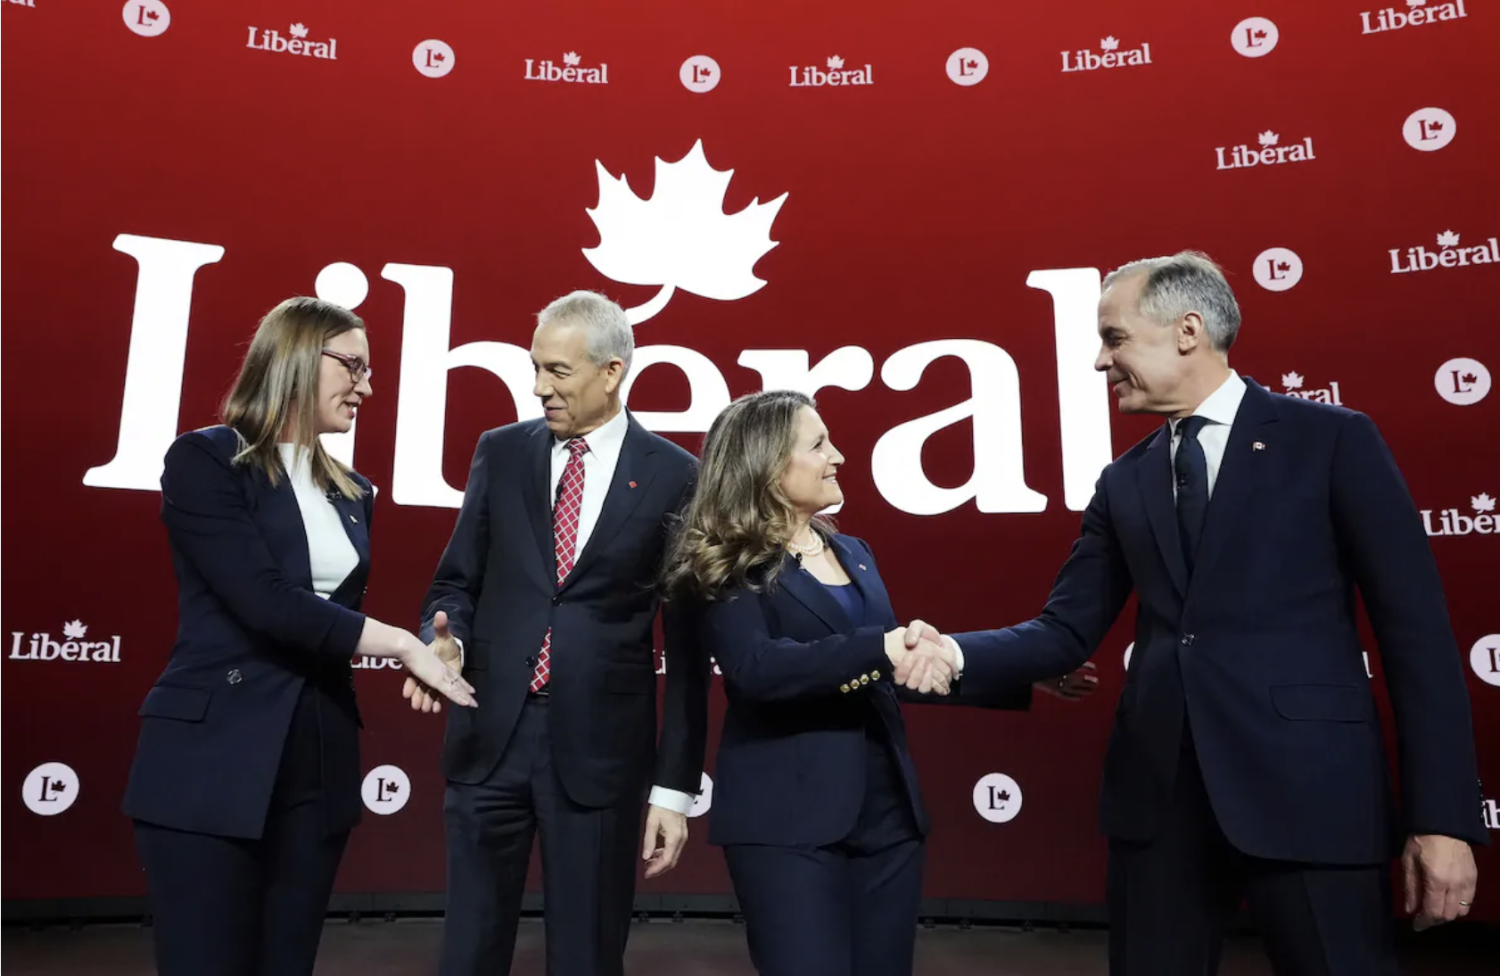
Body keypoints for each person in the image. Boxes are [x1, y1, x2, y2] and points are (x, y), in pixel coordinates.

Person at [909, 252, 1486, 975]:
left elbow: (1419, 642)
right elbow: (1063, 631)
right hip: (1159, 810)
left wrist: (1442, 821)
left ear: (1188, 330)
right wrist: (949, 654)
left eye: (1114, 338)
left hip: (1311, 797)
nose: (1098, 361)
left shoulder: (1332, 441)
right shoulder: (1125, 480)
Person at [658, 389, 1095, 976]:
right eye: (818, 445)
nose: (837, 455)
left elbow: (889, 673)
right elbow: (757, 670)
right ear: (766, 465)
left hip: (887, 818)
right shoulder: (723, 562)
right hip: (787, 826)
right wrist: (880, 647)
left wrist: (1018, 677)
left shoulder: (855, 553)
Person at [121, 297, 475, 976]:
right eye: (354, 367)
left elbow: (323, 617)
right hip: (211, 760)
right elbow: (265, 602)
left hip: (315, 761)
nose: (367, 387)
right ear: (295, 357)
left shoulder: (354, 490)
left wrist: (433, 644)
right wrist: (401, 644)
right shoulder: (206, 460)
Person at [401, 290, 711, 976]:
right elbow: (456, 581)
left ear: (613, 371)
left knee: (588, 957)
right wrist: (442, 639)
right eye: (535, 368)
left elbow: (689, 651)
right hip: (488, 740)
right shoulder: (502, 453)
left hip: (601, 757)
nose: (540, 388)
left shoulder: (674, 475)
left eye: (558, 372)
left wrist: (672, 790)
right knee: (469, 952)